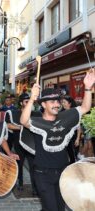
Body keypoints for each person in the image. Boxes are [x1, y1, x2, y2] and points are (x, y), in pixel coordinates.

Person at [20, 69, 95, 211]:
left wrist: (87, 87)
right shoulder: (36, 122)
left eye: (58, 101)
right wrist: (31, 99)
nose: (57, 104)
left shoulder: (65, 117)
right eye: (52, 101)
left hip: (63, 172)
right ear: (43, 105)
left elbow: (85, 107)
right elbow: (24, 121)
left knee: (60, 208)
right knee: (52, 208)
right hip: (43, 174)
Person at [5, 93, 41, 195]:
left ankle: (34, 187)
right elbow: (8, 125)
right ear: (21, 103)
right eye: (26, 101)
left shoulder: (37, 113)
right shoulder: (13, 113)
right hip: (19, 143)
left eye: (31, 101)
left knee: (33, 166)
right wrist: (22, 126)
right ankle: (20, 183)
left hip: (32, 144)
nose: (30, 103)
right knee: (19, 164)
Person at [61, 95, 81, 162]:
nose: (62, 103)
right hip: (64, 137)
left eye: (64, 102)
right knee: (64, 155)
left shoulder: (74, 113)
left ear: (69, 103)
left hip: (73, 138)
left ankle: (74, 168)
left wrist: (78, 139)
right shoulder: (61, 113)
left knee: (73, 155)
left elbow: (78, 127)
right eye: (62, 102)